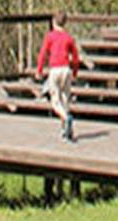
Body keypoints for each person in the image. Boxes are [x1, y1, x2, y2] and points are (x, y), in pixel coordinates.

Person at [35, 11, 83, 143]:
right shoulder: (68, 37)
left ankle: (66, 119)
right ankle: (66, 130)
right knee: (65, 99)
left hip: (55, 69)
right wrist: (75, 72)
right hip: (66, 69)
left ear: (53, 22)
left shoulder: (50, 36)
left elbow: (43, 54)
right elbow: (76, 57)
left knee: (55, 101)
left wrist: (39, 70)